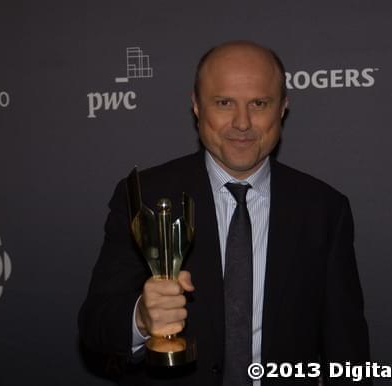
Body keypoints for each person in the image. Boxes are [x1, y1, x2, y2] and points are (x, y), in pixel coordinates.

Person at [78, 41, 371, 386]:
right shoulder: (144, 196)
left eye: (259, 103)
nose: (242, 123)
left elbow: (347, 352)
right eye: (224, 103)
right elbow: (95, 325)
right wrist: (141, 318)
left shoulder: (324, 209)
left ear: (283, 108)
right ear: (196, 107)